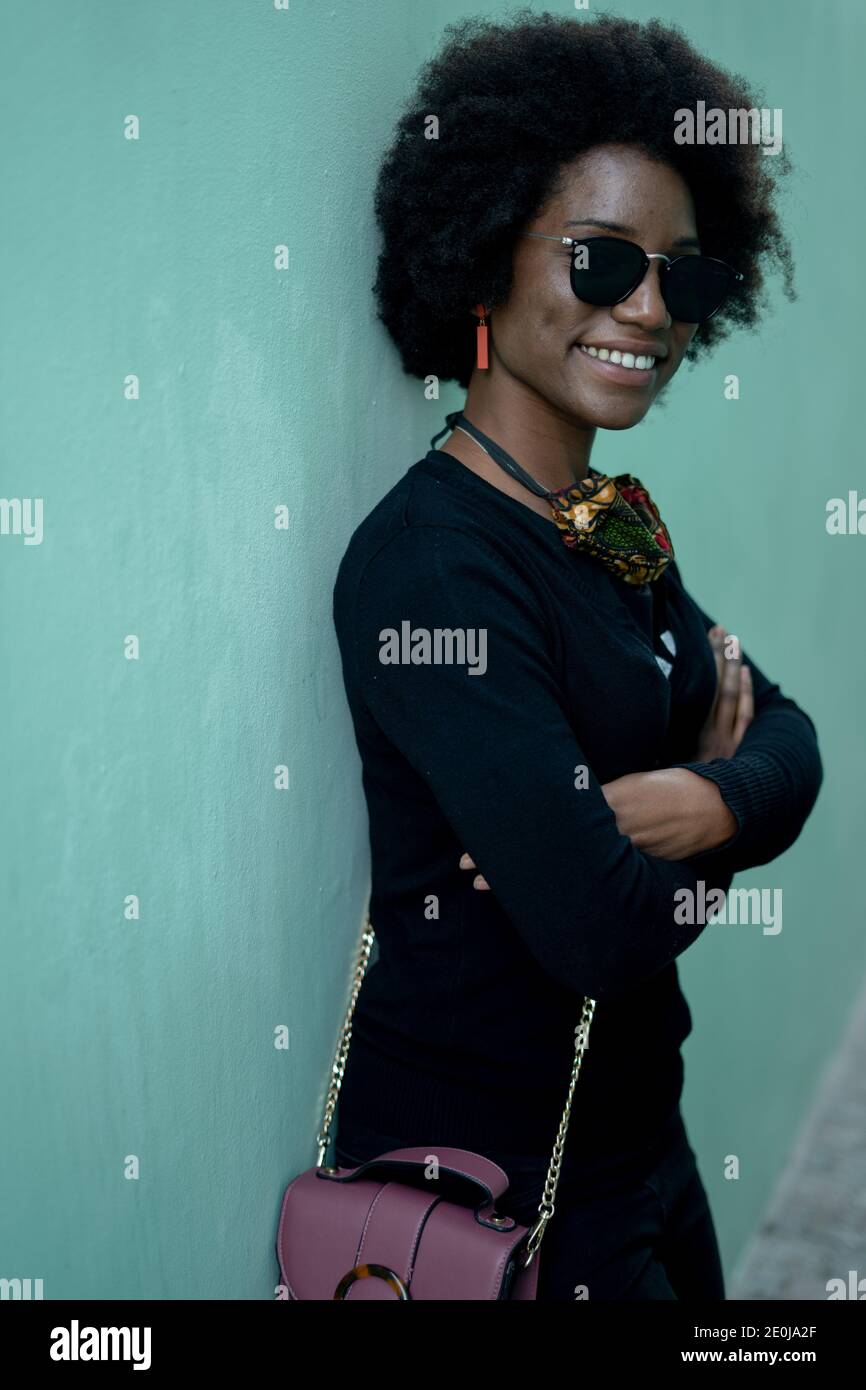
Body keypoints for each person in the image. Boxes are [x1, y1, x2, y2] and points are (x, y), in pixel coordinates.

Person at [330, 12, 822, 1301]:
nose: (651, 311)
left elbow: (793, 738)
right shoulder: (439, 566)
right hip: (499, 1189)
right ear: (485, 257)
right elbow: (598, 926)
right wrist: (721, 816)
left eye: (687, 277)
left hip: (639, 1143)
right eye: (602, 263)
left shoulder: (606, 527)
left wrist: (695, 799)